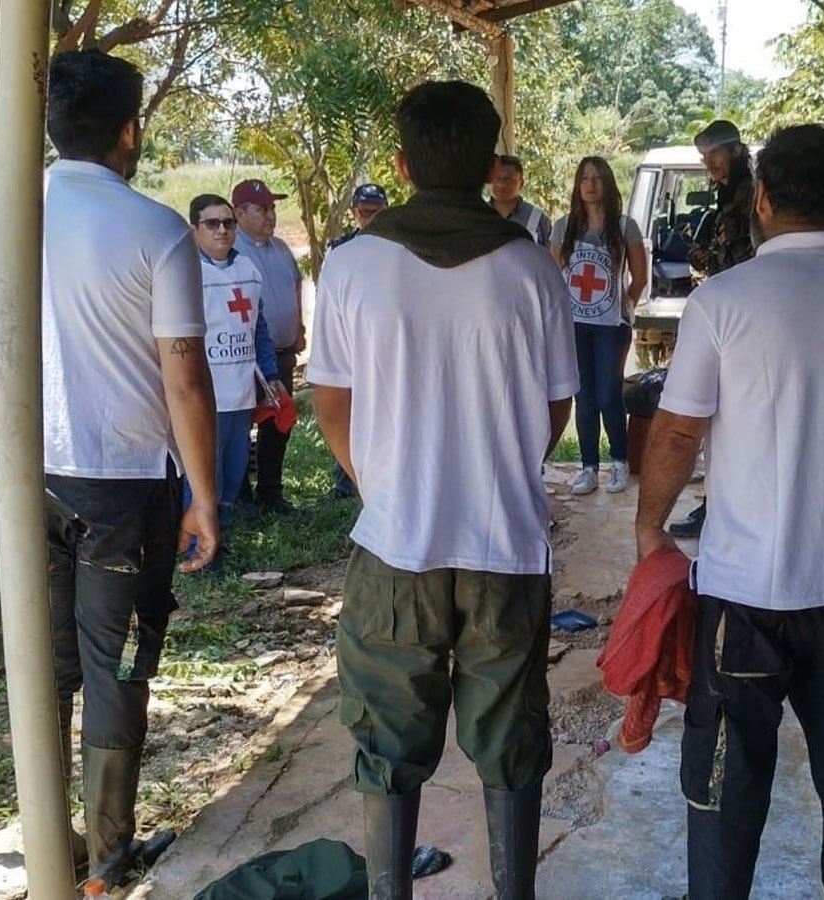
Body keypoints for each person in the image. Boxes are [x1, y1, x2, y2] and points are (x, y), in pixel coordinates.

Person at [635, 124, 824, 899]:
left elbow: (675, 430)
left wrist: (650, 533)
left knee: (726, 783)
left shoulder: (723, 302)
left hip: (744, 597)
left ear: (762, 198)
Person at [308, 80, 577, 900]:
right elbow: (556, 406)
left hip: (394, 546)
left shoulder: (353, 266)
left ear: (401, 163)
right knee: (511, 733)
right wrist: (492, 464)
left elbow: (332, 407)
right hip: (505, 544)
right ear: (490, 164)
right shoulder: (531, 269)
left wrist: (388, 484)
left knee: (386, 737)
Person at [0, 49, 219, 886]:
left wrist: (13, 466)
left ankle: (49, 842)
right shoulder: (154, 228)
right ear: (129, 130)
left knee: (47, 659)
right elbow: (183, 374)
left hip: (31, 476)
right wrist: (206, 497)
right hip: (125, 483)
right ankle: (107, 853)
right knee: (118, 665)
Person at [671, 119, 758, 539]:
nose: (709, 166)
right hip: (733, 312)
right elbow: (728, 257)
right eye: (704, 159)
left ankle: (723, 507)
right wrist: (706, 255)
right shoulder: (730, 195)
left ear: (737, 151)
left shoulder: (753, 195)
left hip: (748, 318)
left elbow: (753, 257)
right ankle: (717, 504)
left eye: (715, 156)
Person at [190, 193, 287, 526]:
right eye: (212, 223)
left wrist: (271, 375)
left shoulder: (247, 268)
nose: (222, 230)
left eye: (228, 223)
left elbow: (258, 327)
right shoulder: (186, 275)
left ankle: (224, 531)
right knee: (204, 470)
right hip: (204, 395)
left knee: (234, 467)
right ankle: (199, 543)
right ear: (194, 230)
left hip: (241, 393)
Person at [551, 156, 646, 496]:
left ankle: (619, 462)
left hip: (610, 326)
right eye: (584, 178)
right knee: (585, 397)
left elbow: (640, 276)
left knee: (609, 393)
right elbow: (553, 274)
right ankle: (588, 468)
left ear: (607, 183)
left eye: (597, 177)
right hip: (574, 326)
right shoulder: (563, 227)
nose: (590, 184)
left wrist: (625, 305)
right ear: (578, 186)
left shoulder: (624, 226)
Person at [232, 177, 304, 515]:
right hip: (247, 361)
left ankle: (271, 493)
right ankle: (241, 498)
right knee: (240, 427)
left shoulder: (281, 249)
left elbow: (295, 287)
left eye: (273, 208)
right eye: (262, 209)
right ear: (240, 213)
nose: (271, 216)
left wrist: (299, 327)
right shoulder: (231, 252)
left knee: (278, 424)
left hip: (282, 357)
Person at [324, 183, 389, 499]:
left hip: (384, 340)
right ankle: (345, 478)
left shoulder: (397, 248)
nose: (369, 218)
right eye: (364, 212)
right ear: (353, 212)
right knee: (347, 404)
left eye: (376, 212)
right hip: (348, 340)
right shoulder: (340, 250)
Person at [489, 154, 552, 246]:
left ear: (521, 183)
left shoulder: (538, 218)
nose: (501, 184)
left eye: (508, 179)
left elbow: (550, 256)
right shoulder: (476, 215)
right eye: (496, 178)